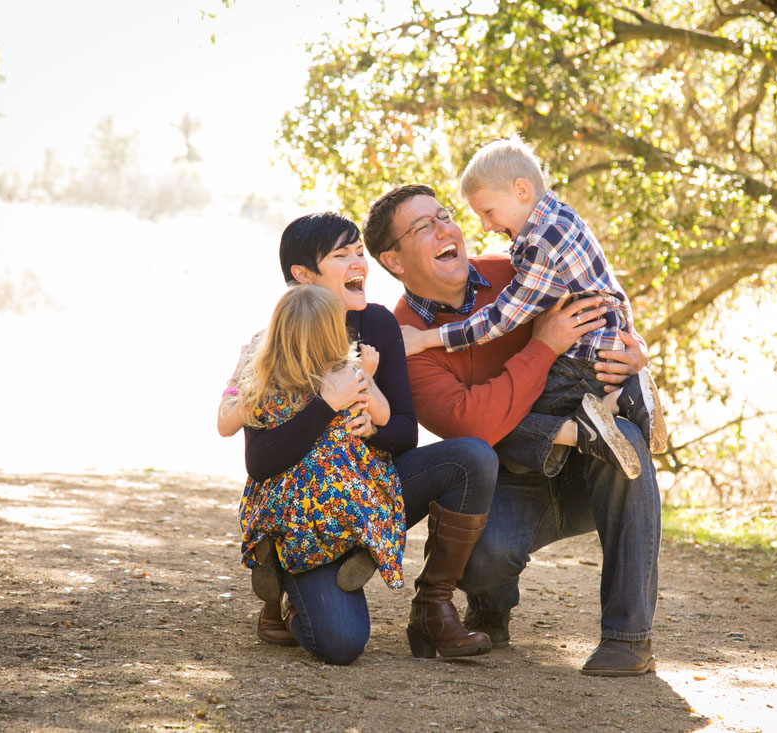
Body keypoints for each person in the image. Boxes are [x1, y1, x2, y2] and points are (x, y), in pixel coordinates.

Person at [364, 184, 664, 676]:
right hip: (509, 481)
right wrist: (543, 346)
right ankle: (490, 607)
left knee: (626, 442)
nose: (446, 228)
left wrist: (635, 352)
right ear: (394, 261)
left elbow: (599, 309)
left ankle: (629, 639)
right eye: (423, 227)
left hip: (588, 471)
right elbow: (472, 424)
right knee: (479, 535)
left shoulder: (518, 274)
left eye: (444, 215)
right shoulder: (406, 341)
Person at [219, 212, 498, 665]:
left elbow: (405, 430)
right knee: (340, 644)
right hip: (303, 509)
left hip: (367, 486)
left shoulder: (378, 326)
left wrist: (376, 428)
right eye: (340, 255)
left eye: (359, 253)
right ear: (303, 275)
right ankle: (287, 582)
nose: (358, 265)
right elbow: (262, 462)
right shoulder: (275, 344)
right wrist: (326, 405)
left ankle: (432, 607)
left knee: (472, 458)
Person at [400, 134, 667, 484]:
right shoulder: (562, 219)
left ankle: (585, 427)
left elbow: (497, 321)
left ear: (521, 190)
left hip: (581, 360)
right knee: (508, 414)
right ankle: (619, 399)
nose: (486, 225)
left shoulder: (542, 244)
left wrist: (424, 340)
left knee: (506, 419)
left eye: (488, 212)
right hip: (601, 350)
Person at [229, 284, 406, 602]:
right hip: (336, 491)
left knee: (291, 505)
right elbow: (383, 414)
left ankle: (266, 546)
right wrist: (367, 377)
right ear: (334, 335)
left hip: (281, 500)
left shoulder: (265, 381)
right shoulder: (344, 376)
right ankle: (365, 546)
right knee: (373, 499)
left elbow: (241, 428)